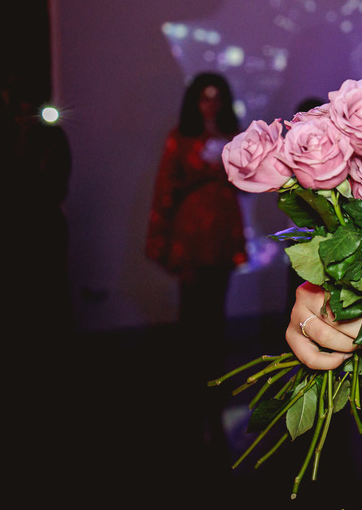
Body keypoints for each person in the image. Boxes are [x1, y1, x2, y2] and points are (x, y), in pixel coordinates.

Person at [146, 71, 248, 447]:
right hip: (191, 233)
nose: (211, 103)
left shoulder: (233, 137)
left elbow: (247, 182)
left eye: (217, 96)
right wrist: (161, 238)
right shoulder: (180, 136)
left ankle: (213, 380)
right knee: (192, 310)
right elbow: (165, 185)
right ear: (195, 100)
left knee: (215, 309)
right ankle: (191, 384)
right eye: (205, 96)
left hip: (222, 232)